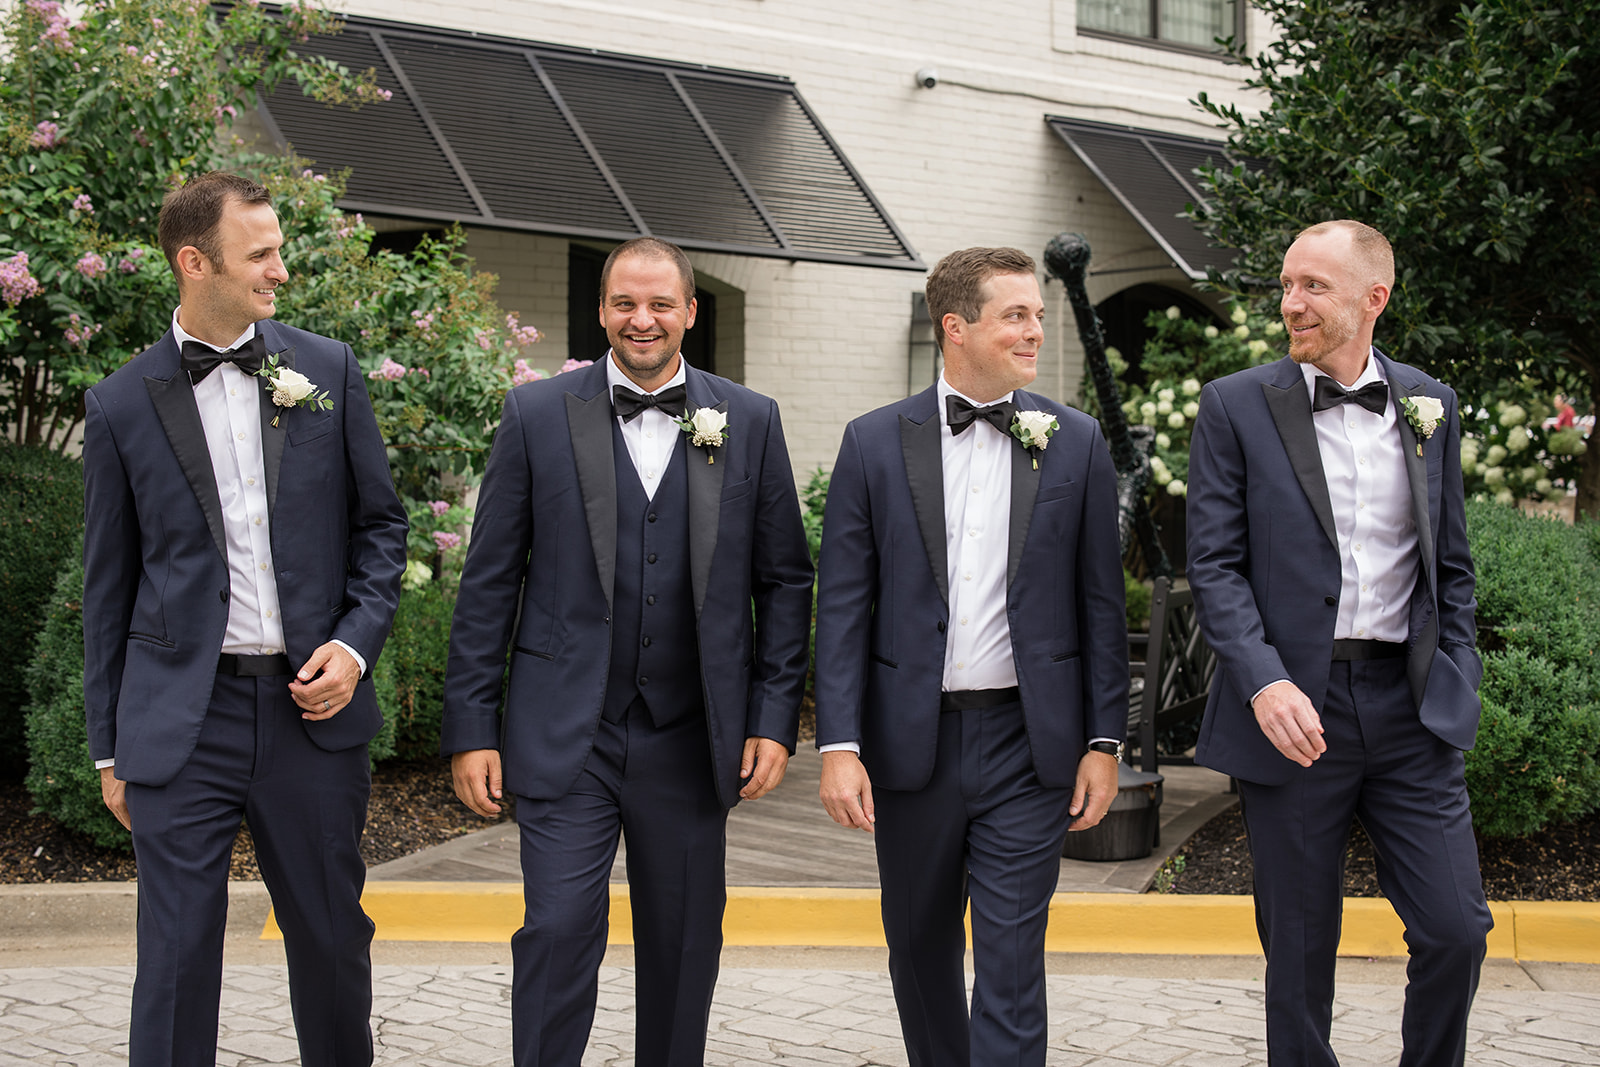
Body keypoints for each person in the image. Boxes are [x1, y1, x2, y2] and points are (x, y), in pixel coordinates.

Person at [442, 236, 814, 1067]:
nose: (640, 319)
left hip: (690, 735)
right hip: (566, 731)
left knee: (684, 945)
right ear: (601, 309)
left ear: (689, 310)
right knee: (559, 929)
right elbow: (490, 581)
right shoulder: (537, 414)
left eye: (658, 304)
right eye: (622, 303)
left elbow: (786, 581)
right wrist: (471, 727)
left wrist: (774, 719)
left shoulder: (748, 419)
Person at [82, 171, 408, 1066]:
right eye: (259, 253)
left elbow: (382, 528)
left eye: (278, 249)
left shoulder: (327, 369)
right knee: (179, 956)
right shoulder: (117, 405)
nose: (280, 270)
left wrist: (354, 643)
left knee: (333, 939)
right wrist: (110, 748)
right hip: (185, 720)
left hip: (313, 713)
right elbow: (107, 586)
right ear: (196, 262)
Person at [1185, 220, 1491, 1066]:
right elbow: (1213, 566)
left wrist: (1455, 667)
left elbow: (1452, 563)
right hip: (1291, 710)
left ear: (1373, 298)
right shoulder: (1235, 405)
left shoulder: (1432, 403)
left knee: (1457, 930)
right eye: (1287, 285)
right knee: (1299, 952)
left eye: (1314, 286)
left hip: (1409, 709)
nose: (1292, 303)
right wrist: (1262, 681)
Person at [813, 246, 1128, 1066]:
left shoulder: (1077, 441)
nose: (1035, 329)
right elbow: (844, 608)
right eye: (1016, 314)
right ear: (957, 326)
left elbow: (1101, 604)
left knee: (1013, 958)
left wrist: (1105, 739)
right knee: (917, 946)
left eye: (1037, 314)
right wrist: (839, 746)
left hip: (1031, 745)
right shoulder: (874, 442)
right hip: (911, 745)